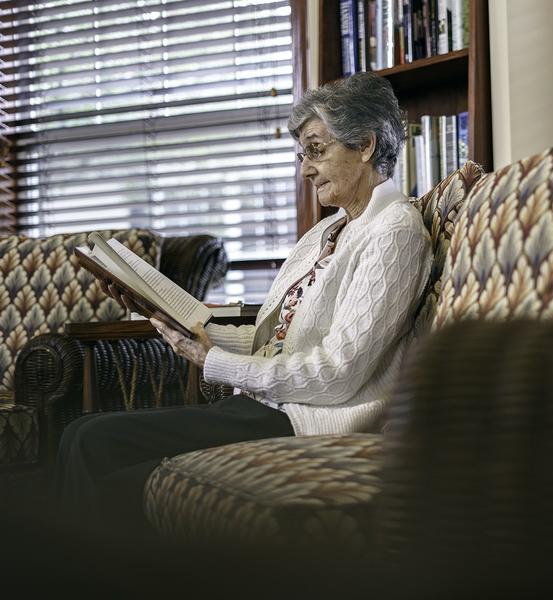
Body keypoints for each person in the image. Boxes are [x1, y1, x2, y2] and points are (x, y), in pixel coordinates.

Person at [55, 72, 432, 532]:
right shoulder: (328, 231)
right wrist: (172, 321)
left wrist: (214, 362)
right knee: (78, 432)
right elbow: (279, 341)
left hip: (311, 420)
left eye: (316, 150)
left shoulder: (394, 231)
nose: (305, 169)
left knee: (94, 440)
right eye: (303, 154)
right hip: (272, 405)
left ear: (366, 145)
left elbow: (338, 375)